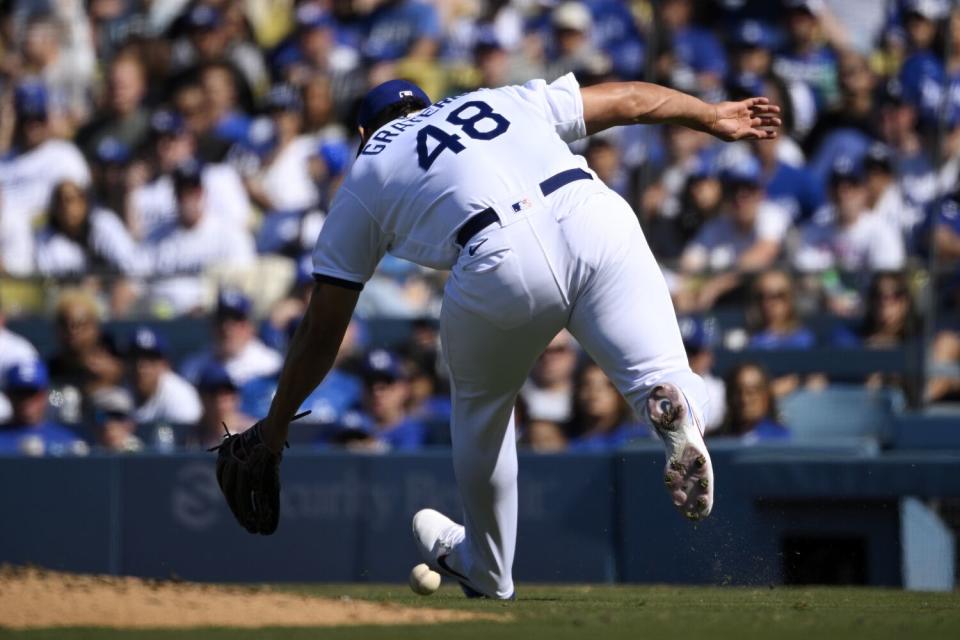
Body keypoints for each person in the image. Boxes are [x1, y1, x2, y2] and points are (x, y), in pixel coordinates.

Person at [236, 73, 781, 599]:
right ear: (428, 105)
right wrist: (711, 114)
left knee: (483, 413)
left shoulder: (366, 170)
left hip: (497, 256)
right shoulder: (496, 99)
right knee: (666, 376)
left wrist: (276, 425)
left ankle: (487, 568)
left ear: (361, 134)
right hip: (593, 213)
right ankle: (674, 402)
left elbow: (322, 328)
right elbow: (632, 98)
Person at [180, 290, 282, 386]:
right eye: (221, 320)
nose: (226, 328)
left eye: (236, 320)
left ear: (250, 326)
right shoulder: (194, 367)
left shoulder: (270, 365)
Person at [0, 361, 85, 456]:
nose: (27, 401)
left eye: (32, 393)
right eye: (20, 394)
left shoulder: (68, 440)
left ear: (44, 394)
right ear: (9, 395)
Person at [128, 326, 202, 429]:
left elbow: (188, 442)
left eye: (151, 358)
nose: (141, 366)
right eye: (135, 357)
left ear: (165, 364)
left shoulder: (181, 396)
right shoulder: (121, 392)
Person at [566, 361, 650, 451]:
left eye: (606, 386)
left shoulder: (637, 439)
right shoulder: (563, 437)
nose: (593, 394)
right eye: (586, 385)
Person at [721, 362, 790, 443]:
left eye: (751, 392)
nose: (744, 399)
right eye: (737, 392)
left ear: (766, 395)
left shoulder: (782, 439)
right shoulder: (718, 440)